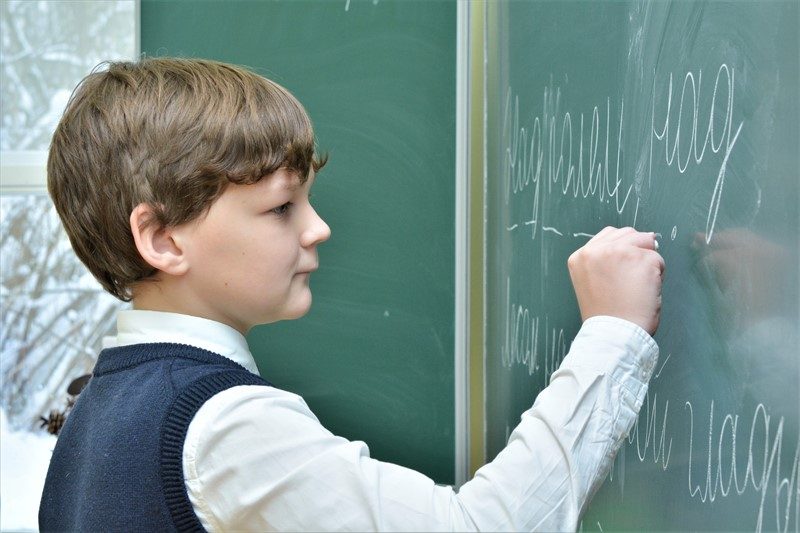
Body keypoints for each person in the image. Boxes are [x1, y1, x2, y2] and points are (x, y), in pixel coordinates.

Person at [39, 58, 664, 532]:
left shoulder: (95, 416)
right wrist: (613, 335)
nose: (318, 228)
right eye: (281, 207)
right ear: (163, 239)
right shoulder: (225, 428)